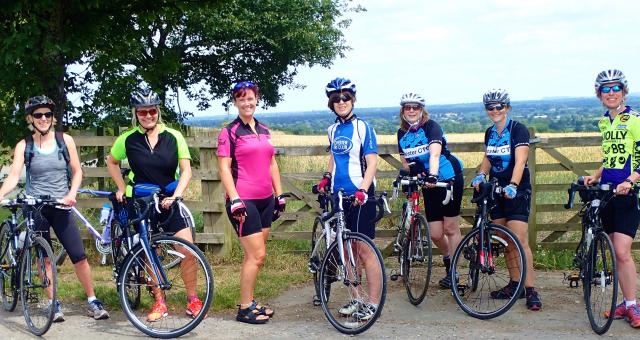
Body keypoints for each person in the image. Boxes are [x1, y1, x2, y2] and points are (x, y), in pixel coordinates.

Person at [0, 95, 109, 322]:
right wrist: (1, 193)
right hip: (36, 207)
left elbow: (77, 171)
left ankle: (92, 300)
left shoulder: (64, 140)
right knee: (44, 257)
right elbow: (13, 175)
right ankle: (52, 303)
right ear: (31, 118)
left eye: (47, 114)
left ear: (53, 117)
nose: (43, 118)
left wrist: (71, 194)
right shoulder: (25, 145)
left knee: (78, 255)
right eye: (38, 115)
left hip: (60, 205)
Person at [106, 88, 202, 321]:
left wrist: (177, 195)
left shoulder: (173, 136)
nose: (147, 115)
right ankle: (160, 302)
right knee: (150, 252)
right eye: (142, 112)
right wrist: (121, 187)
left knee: (186, 249)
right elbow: (112, 161)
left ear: (158, 111)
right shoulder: (128, 139)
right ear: (136, 114)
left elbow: (187, 169)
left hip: (169, 200)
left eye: (151, 110)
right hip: (141, 202)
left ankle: (193, 300)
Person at [217, 81, 286, 324]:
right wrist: (234, 198)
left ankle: (250, 300)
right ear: (235, 102)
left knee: (253, 256)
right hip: (243, 201)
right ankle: (244, 308)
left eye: (251, 98)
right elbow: (224, 168)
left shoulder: (265, 130)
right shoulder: (229, 132)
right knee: (257, 256)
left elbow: (271, 164)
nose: (247, 102)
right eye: (242, 98)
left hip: (266, 200)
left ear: (257, 99)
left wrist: (280, 195)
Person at [316, 77, 382, 321]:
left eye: (345, 98)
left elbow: (372, 161)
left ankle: (373, 303)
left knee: (365, 249)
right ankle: (356, 298)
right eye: (336, 99)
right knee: (346, 248)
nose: (341, 102)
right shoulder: (332, 130)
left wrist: (363, 189)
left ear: (353, 100)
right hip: (339, 194)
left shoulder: (362, 127)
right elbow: (334, 157)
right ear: (331, 103)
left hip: (360, 194)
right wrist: (326, 177)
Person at [471, 89, 542, 311]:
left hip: (516, 190)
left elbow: (520, 161)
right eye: (490, 107)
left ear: (507, 108)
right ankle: (515, 284)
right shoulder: (489, 132)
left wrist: (512, 185)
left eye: (499, 107)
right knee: (504, 238)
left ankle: (530, 289)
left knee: (519, 240)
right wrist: (482, 174)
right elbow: (488, 157)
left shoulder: (517, 129)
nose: (495, 111)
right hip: (496, 190)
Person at [584, 69, 640, 328]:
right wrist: (597, 175)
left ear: (624, 91)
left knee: (622, 251)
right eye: (605, 89)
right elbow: (611, 159)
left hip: (628, 194)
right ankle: (625, 303)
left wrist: (631, 181)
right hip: (608, 192)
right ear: (599, 95)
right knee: (614, 252)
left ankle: (632, 306)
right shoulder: (604, 122)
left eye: (616, 87)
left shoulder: (635, 120)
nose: (611, 93)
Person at [395, 92, 464, 289]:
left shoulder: (431, 127)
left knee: (450, 227)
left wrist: (432, 175)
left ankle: (454, 272)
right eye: (407, 107)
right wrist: (412, 171)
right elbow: (406, 161)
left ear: (421, 110)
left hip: (448, 177)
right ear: (403, 111)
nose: (411, 111)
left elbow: (434, 154)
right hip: (428, 182)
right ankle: (449, 256)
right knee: (434, 233)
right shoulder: (402, 133)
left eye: (415, 107)